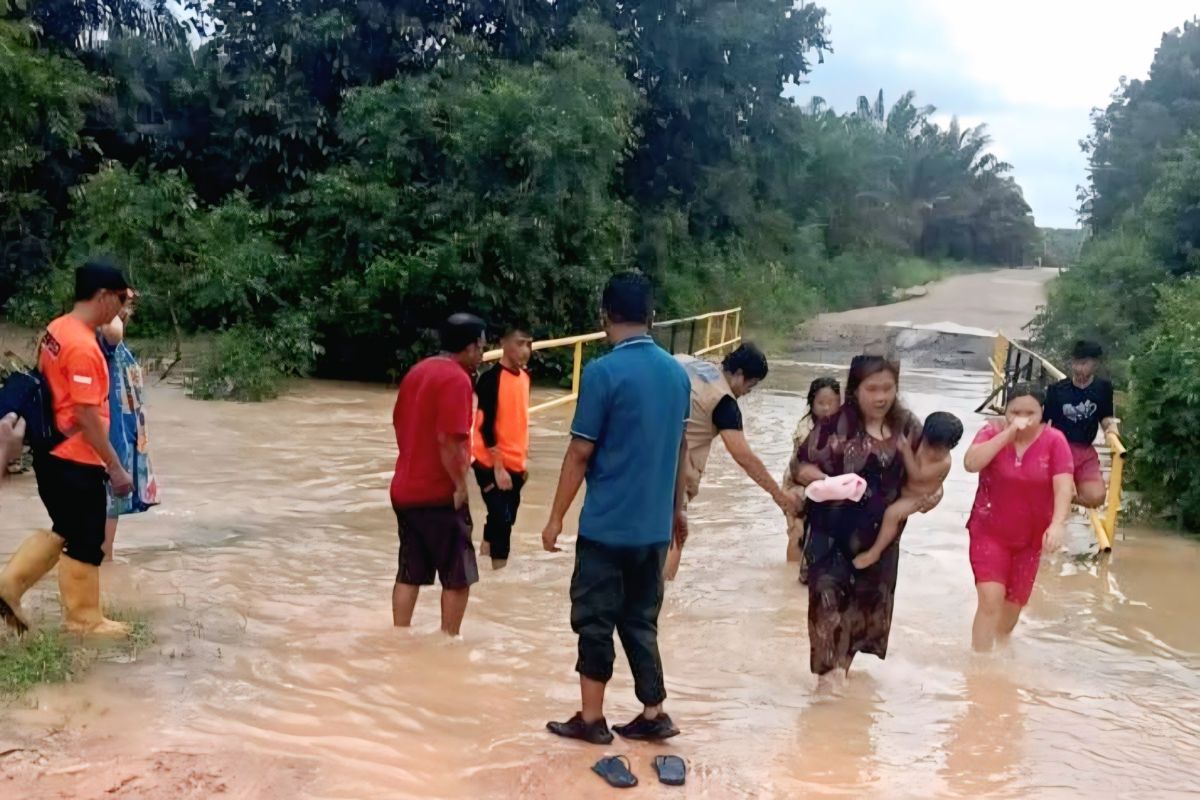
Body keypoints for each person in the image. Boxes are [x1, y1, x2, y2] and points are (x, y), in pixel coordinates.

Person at [543, 272, 691, 745]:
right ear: (651, 315)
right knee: (640, 620)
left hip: (607, 528)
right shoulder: (676, 374)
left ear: (604, 314)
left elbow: (580, 452)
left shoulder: (602, 373)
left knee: (594, 620)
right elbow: (679, 450)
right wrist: (677, 513)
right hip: (652, 530)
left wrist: (555, 517)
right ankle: (653, 711)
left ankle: (591, 718)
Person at [0, 260, 133, 637]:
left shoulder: (56, 329)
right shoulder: (82, 347)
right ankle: (84, 620)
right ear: (104, 296)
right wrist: (116, 467)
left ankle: (9, 586)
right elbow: (86, 415)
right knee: (88, 538)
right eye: (121, 299)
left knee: (68, 527)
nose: (122, 309)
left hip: (50, 454)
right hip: (74, 459)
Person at [790, 354, 941, 686]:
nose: (881, 397)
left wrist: (933, 496)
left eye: (888, 388)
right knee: (827, 607)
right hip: (830, 534)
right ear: (855, 389)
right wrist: (825, 482)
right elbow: (800, 467)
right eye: (872, 388)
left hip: (880, 539)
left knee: (860, 617)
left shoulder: (910, 428)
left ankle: (840, 676)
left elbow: (929, 473)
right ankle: (828, 687)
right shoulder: (833, 425)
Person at [665, 343, 797, 580]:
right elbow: (743, 456)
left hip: (635, 458)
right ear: (738, 375)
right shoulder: (724, 402)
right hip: (671, 477)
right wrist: (779, 496)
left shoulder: (687, 362)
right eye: (751, 384)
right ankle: (660, 598)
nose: (748, 391)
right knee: (675, 535)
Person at [389, 313, 486, 636]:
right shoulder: (457, 379)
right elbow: (451, 440)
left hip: (404, 489)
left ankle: (399, 634)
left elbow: (401, 424)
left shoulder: (417, 372)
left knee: (409, 572)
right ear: (471, 347)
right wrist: (460, 484)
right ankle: (449, 641)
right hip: (437, 493)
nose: (483, 353)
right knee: (458, 575)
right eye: (482, 346)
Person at [964, 383, 1073, 652]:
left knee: (1011, 611)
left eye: (1030, 413)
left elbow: (1063, 487)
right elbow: (970, 464)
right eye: (1015, 412)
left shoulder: (1055, 441)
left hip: (1030, 539)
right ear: (1005, 412)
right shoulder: (991, 433)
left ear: (1043, 413)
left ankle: (1000, 657)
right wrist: (1008, 433)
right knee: (990, 600)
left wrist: (1058, 524)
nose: (1023, 418)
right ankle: (978, 668)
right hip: (989, 531)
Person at [852, 411, 963, 570]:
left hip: (916, 497)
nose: (931, 453)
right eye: (928, 446)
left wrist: (906, 451)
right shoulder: (919, 438)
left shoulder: (943, 463)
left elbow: (917, 475)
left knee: (892, 514)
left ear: (951, 447)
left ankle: (875, 552)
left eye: (938, 450)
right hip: (903, 488)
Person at [98, 294, 160, 561]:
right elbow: (113, 329)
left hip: (123, 430)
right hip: (111, 431)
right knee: (106, 501)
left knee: (108, 502)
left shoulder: (109, 343)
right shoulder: (106, 337)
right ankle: (104, 561)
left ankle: (104, 563)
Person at [472, 325, 533, 569]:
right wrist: (498, 467)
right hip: (488, 462)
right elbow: (485, 428)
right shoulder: (490, 380)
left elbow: (519, 422)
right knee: (503, 520)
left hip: (515, 464)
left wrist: (522, 465)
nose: (525, 350)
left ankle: (484, 557)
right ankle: (499, 580)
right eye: (520, 343)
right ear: (503, 344)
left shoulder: (526, 378)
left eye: (529, 344)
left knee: (505, 517)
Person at [1043, 340, 1119, 508]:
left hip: (1085, 451)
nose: (1078, 369)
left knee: (1096, 497)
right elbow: (1043, 424)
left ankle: (1063, 497)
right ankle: (1057, 495)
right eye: (1075, 363)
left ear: (1095, 364)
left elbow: (1105, 416)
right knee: (1051, 488)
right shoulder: (1057, 390)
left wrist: (1111, 429)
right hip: (1060, 449)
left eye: (1083, 364)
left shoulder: (1103, 388)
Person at [783, 377, 841, 572]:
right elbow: (802, 470)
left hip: (826, 487)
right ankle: (789, 580)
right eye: (821, 403)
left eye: (831, 403)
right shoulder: (805, 428)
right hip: (798, 486)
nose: (826, 408)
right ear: (811, 403)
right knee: (797, 532)